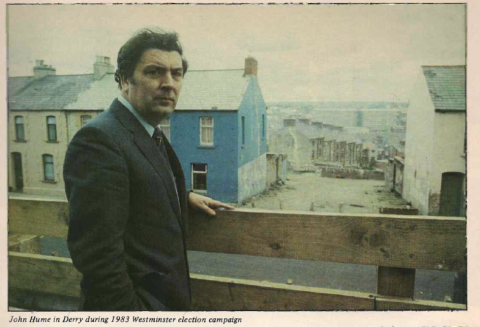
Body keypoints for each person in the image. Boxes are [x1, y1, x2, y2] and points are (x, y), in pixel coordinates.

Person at [63, 28, 233, 311]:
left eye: (176, 73)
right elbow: (97, 256)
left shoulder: (145, 130)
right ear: (126, 79)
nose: (169, 83)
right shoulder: (99, 140)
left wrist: (181, 195)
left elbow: (138, 178)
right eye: (155, 72)